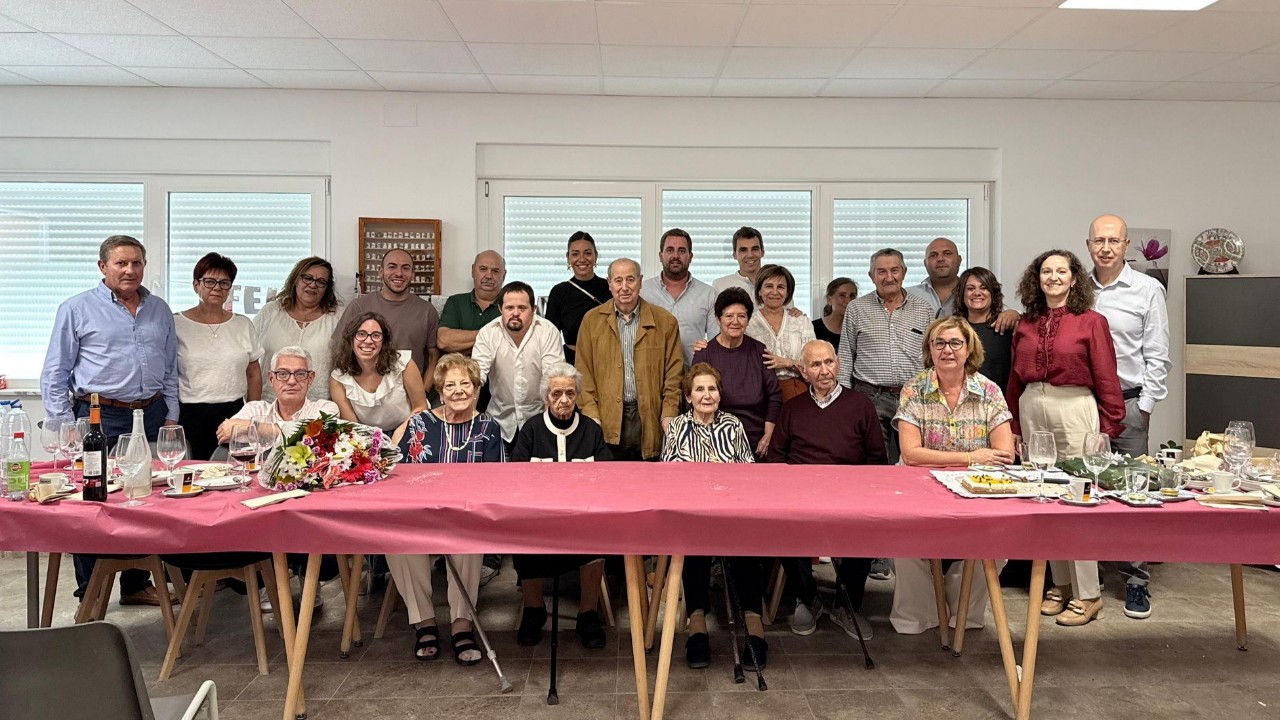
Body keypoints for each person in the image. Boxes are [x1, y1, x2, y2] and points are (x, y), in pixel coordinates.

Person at [40, 235, 178, 608]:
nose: (130, 270)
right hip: (99, 414)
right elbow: (55, 373)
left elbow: (169, 368)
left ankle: (135, 583)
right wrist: (66, 425)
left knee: (146, 498)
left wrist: (171, 414)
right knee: (94, 501)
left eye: (136, 263)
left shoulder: (159, 309)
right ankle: (91, 592)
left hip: (150, 413)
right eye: (121, 263)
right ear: (103, 267)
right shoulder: (76, 309)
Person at [1007, 249, 1124, 628]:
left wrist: (1107, 431)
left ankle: (1089, 593)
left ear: (1075, 278)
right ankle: (1060, 584)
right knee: (1044, 496)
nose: (1053, 277)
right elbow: (1014, 378)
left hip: (1075, 409)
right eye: (1046, 271)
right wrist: (1011, 427)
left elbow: (1107, 377)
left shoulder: (1092, 322)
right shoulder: (1025, 323)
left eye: (1061, 271)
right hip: (1031, 407)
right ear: (1036, 278)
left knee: (1079, 499)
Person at [890, 316, 1015, 635]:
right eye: (939, 343)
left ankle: (963, 612)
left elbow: (1004, 454)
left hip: (975, 486)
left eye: (955, 343)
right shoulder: (913, 389)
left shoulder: (989, 390)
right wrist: (971, 457)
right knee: (902, 542)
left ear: (969, 348)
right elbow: (911, 454)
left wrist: (961, 465)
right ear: (929, 349)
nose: (947, 350)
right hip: (918, 484)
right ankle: (920, 615)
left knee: (998, 544)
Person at [389, 353, 503, 664]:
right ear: (439, 391)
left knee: (468, 539)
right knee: (397, 541)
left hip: (466, 516)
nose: (458, 391)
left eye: (465, 383)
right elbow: (400, 475)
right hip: (420, 515)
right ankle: (424, 622)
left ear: (477, 389)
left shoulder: (489, 427)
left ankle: (461, 625)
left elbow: (496, 482)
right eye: (450, 385)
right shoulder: (419, 423)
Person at [769, 340, 887, 639]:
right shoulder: (792, 408)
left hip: (850, 495)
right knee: (782, 529)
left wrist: (862, 495)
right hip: (800, 496)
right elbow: (776, 460)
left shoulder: (860, 404)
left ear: (838, 364)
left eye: (829, 362)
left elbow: (877, 459)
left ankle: (846, 604)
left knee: (866, 528)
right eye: (816, 365)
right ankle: (807, 598)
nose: (824, 371)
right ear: (804, 371)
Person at [1086, 213, 1171, 621]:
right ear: (1088, 245)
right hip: (1084, 406)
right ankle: (1089, 578)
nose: (1105, 247)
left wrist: (1147, 406)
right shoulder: (1075, 287)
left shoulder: (1147, 289)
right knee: (1084, 488)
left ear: (1125, 246)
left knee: (1135, 490)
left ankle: (1136, 580)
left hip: (1130, 403)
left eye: (1113, 241)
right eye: (1098, 240)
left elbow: (1158, 353)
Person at [660, 363, 764, 669]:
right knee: (694, 549)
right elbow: (668, 474)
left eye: (712, 389)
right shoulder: (677, 427)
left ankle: (754, 626)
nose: (707, 395)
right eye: (700, 389)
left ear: (720, 394)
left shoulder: (733, 425)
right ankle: (697, 625)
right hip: (691, 513)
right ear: (689, 396)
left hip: (731, 511)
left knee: (747, 547)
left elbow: (748, 471)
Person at [509, 362, 611, 649]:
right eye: (556, 394)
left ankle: (587, 614)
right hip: (538, 517)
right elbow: (516, 475)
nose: (563, 400)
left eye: (569, 393)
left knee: (598, 535)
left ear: (577, 395)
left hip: (583, 516)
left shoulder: (591, 430)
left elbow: (607, 475)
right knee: (522, 535)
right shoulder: (530, 430)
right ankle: (533, 609)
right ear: (546, 397)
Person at [437, 249, 507, 582]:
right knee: (454, 477)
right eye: (483, 269)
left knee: (492, 482)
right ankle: (449, 547)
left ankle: (490, 553)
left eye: (495, 270)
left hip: (500, 403)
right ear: (473, 271)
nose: (489, 275)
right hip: (458, 399)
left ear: (503, 276)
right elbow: (444, 339)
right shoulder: (455, 302)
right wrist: (491, 335)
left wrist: (468, 342)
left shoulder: (510, 302)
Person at [575, 258, 683, 460]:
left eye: (630, 280)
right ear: (609, 283)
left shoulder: (665, 322)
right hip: (606, 418)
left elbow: (674, 376)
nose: (624, 287)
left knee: (650, 485)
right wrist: (592, 416)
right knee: (611, 486)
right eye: (618, 280)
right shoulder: (591, 321)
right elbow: (583, 374)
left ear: (640, 281)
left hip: (651, 418)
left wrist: (669, 415)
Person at [836, 248, 935, 464]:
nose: (888, 277)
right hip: (870, 397)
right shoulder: (856, 309)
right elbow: (845, 355)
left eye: (894, 270)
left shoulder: (924, 310)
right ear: (871, 276)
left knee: (913, 460)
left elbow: (932, 359)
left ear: (904, 272)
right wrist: (843, 401)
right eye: (881, 272)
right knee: (873, 462)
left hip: (914, 397)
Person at [173, 252, 262, 460]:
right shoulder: (176, 323)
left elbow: (254, 373)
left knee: (235, 472)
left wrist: (251, 413)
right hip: (189, 413)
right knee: (192, 472)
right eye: (209, 281)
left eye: (224, 283)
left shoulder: (243, 324)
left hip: (234, 412)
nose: (217, 288)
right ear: (196, 285)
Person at [473, 281, 565, 451]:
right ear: (500, 309)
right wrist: (470, 425)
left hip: (539, 419)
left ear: (534, 309)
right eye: (509, 308)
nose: (515, 313)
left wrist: (550, 429)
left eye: (522, 308)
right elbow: (476, 378)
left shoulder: (547, 331)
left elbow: (553, 380)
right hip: (499, 421)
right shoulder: (488, 332)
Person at [334, 247, 440, 393]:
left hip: (409, 396)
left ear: (413, 274)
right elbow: (340, 350)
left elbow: (434, 356)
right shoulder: (359, 306)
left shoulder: (427, 311)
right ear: (380, 271)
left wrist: (422, 392)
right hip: (363, 397)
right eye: (392, 267)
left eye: (406, 268)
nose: (399, 273)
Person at [690, 287, 782, 455]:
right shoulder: (704, 354)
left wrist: (768, 435)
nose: (735, 321)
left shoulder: (759, 351)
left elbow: (774, 397)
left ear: (748, 320)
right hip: (713, 439)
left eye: (742, 316)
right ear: (718, 320)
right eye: (729, 316)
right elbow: (693, 401)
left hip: (756, 439)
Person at [253, 256, 341, 402]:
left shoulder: (337, 317)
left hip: (318, 408)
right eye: (307, 278)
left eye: (321, 282)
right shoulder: (271, 311)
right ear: (295, 280)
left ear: (327, 288)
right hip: (271, 404)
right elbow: (249, 357)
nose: (313, 285)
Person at [329, 312, 427, 433]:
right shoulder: (338, 378)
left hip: (409, 428)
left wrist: (400, 435)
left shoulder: (404, 363)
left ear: (384, 341)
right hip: (366, 437)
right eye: (361, 334)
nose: (368, 341)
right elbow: (352, 428)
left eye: (376, 335)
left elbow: (420, 407)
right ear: (350, 338)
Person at [217, 346, 340, 442]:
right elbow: (226, 435)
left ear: (310, 379)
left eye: (300, 374)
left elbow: (312, 435)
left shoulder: (326, 408)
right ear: (271, 379)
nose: (292, 381)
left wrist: (252, 427)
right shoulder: (255, 410)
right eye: (282, 374)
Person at [640, 228, 718, 365]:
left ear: (690, 256)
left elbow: (716, 342)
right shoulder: (643, 291)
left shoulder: (708, 294)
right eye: (670, 250)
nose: (675, 256)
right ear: (660, 255)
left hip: (693, 375)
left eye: (682, 251)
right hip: (651, 374)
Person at [747, 264, 815, 402]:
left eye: (781, 287)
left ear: (788, 292)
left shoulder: (801, 322)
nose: (774, 292)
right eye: (768, 286)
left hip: (798, 391)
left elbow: (814, 365)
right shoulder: (748, 325)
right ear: (759, 290)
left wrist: (788, 362)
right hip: (760, 394)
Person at [544, 231, 610, 366]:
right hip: (571, 362)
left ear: (595, 256)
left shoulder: (610, 288)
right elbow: (550, 337)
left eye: (587, 253)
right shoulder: (559, 292)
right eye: (575, 254)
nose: (582, 259)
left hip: (606, 361)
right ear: (568, 258)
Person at [954, 267, 1013, 391]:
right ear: (962, 294)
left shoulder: (1007, 326)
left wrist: (1015, 314)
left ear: (993, 292)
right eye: (970, 288)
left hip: (1001, 404)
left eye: (984, 287)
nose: (977, 293)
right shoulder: (955, 330)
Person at [712, 226, 766, 296]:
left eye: (755, 249)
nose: (750, 255)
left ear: (762, 252)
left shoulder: (778, 285)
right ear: (734, 255)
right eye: (743, 250)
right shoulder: (720, 286)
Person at [813, 277, 857, 353]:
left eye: (852, 296)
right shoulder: (813, 328)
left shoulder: (858, 329)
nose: (848, 300)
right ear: (829, 300)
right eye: (842, 295)